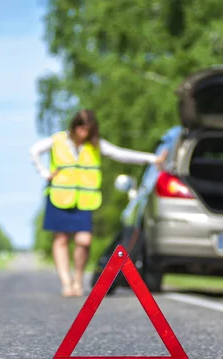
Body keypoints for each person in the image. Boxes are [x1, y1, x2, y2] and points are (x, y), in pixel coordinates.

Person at [29, 109, 167, 297]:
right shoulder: (58, 141)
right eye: (81, 128)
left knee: (83, 240)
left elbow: (121, 154)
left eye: (88, 130)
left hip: (84, 200)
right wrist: (45, 173)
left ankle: (77, 279)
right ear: (74, 126)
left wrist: (152, 159)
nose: (83, 133)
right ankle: (66, 283)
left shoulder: (95, 145)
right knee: (60, 239)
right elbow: (34, 151)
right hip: (59, 197)